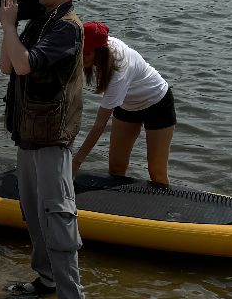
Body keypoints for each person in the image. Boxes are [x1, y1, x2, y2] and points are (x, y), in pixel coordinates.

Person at [0, 0, 88, 299]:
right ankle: (47, 279)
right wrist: (10, 27)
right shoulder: (41, 19)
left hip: (52, 137)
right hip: (29, 134)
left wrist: (8, 25)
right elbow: (7, 65)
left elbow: (24, 65)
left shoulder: (67, 28)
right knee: (35, 214)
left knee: (58, 220)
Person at [72, 22, 176, 185]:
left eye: (87, 53)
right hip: (128, 105)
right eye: (81, 51)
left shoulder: (118, 71)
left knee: (157, 174)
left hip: (157, 103)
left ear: (100, 52)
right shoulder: (100, 45)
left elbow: (99, 125)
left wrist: (76, 162)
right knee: (116, 168)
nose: (82, 57)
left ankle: (165, 201)